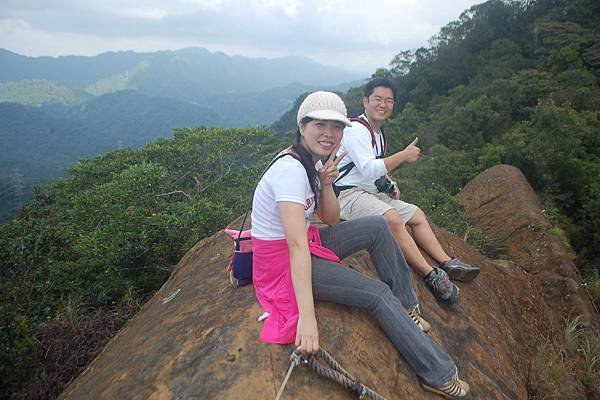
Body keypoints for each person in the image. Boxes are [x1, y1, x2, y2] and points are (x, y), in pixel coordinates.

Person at [251, 91, 469, 397]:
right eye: (319, 125)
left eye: (336, 127)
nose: (329, 134)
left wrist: (326, 183)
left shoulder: (310, 162)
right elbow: (297, 247)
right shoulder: (290, 171)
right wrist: (307, 319)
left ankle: (406, 306)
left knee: (379, 226)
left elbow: (330, 219)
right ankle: (437, 374)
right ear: (302, 126)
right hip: (284, 262)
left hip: (307, 242)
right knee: (377, 295)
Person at [334, 78, 480, 304]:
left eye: (389, 101)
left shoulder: (378, 134)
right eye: (378, 99)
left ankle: (447, 262)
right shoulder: (355, 130)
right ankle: (430, 274)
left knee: (417, 215)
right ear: (365, 101)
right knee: (391, 218)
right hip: (346, 195)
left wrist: (389, 183)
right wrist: (403, 156)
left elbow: (374, 169)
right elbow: (368, 167)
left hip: (367, 193)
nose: (383, 105)